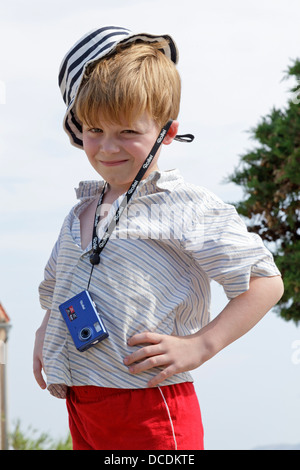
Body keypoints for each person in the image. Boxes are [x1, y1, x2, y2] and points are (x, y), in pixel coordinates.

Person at [33, 26, 284, 450]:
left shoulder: (185, 206)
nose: (108, 147)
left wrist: (201, 345)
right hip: (83, 403)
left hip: (151, 406)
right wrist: (46, 332)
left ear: (167, 131)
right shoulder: (78, 213)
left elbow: (265, 282)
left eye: (128, 132)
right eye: (95, 130)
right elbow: (58, 291)